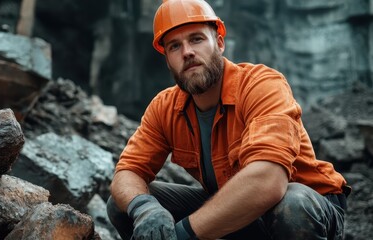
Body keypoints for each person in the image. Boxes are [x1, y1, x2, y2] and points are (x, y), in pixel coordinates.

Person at [107, 0, 350, 239]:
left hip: (307, 209)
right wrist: (144, 208)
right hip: (237, 210)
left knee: (293, 205)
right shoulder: (164, 107)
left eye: (196, 39)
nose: (187, 52)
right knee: (125, 204)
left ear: (219, 43)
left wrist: (182, 234)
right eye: (174, 46)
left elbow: (269, 181)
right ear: (168, 60)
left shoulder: (261, 85)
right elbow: (127, 172)